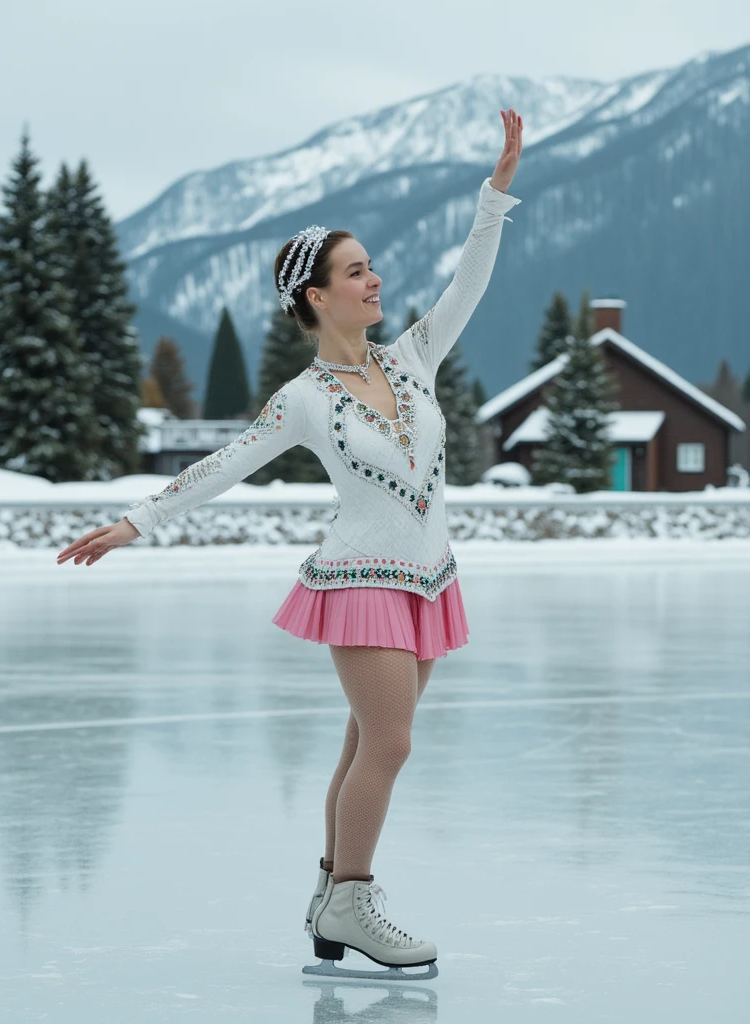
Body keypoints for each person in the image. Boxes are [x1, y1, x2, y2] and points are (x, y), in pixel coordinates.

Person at [57, 107, 523, 981]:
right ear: (317, 296)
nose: (376, 279)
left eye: (373, 266)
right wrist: (137, 522)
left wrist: (493, 197)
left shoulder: (413, 358)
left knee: (363, 745)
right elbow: (226, 461)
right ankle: (352, 895)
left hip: (429, 579)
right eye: (357, 271)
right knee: (389, 746)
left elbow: (469, 283)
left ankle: (327, 896)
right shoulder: (304, 397)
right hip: (358, 578)